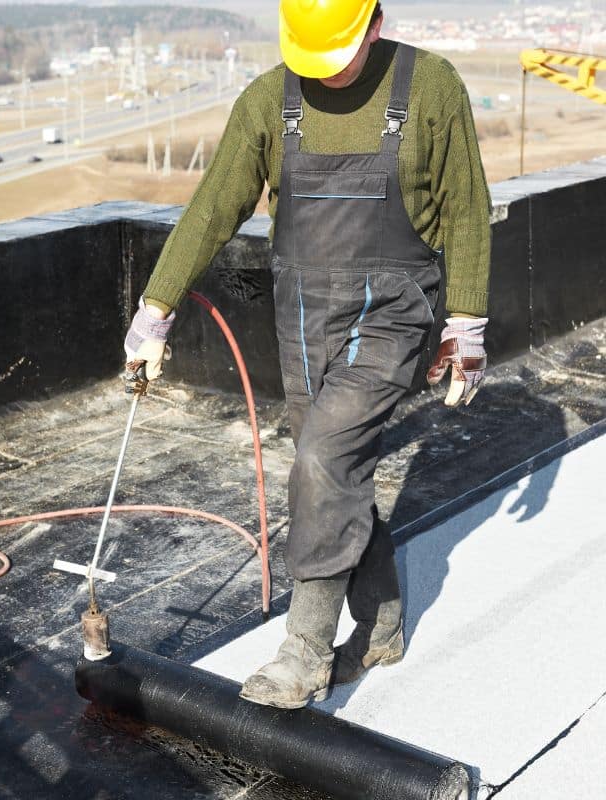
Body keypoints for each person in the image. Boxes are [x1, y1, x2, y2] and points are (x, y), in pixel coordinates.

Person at [124, 0, 490, 709]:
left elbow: (467, 207)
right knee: (334, 468)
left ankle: (304, 650)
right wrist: (156, 310)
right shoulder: (269, 98)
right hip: (302, 316)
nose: (321, 73)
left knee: (322, 458)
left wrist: (466, 323)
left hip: (396, 311)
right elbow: (213, 205)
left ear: (374, 25)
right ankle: (382, 623)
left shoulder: (432, 86)